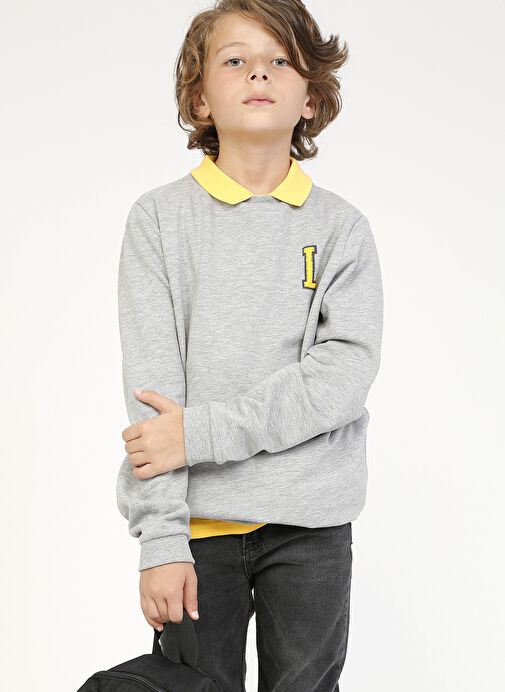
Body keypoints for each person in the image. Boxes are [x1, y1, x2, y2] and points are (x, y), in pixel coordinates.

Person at [116, 1, 383, 690]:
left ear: (310, 98)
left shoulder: (342, 229)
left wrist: (198, 432)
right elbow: (152, 399)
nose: (258, 73)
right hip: (196, 527)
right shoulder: (159, 221)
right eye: (234, 59)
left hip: (312, 524)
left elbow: (341, 378)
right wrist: (160, 538)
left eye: (279, 60)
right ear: (200, 98)